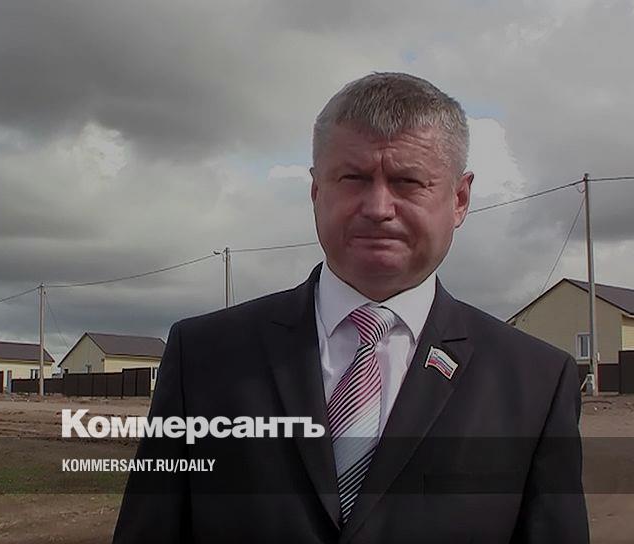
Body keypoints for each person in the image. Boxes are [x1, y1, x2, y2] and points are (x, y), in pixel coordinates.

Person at [113, 72, 589, 543]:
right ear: (316, 191)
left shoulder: (537, 383)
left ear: (459, 199)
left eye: (408, 181)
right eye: (353, 178)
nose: (378, 207)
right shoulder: (203, 358)